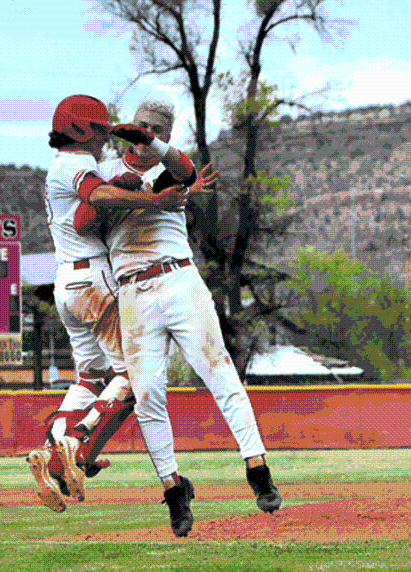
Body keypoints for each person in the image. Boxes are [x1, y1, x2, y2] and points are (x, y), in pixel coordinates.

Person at [90, 98, 282, 537]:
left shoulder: (170, 169)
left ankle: (257, 466)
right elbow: (88, 203)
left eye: (155, 128)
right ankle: (174, 488)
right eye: (140, 125)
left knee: (219, 370)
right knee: (149, 392)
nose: (145, 132)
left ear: (166, 135)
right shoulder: (104, 174)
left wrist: (152, 145)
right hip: (133, 288)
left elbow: (185, 169)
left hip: (177, 278)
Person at [26, 94, 191, 512]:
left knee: (89, 377)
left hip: (66, 281)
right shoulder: (77, 163)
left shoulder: (58, 167)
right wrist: (153, 200)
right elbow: (95, 198)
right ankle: (77, 445)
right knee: (133, 373)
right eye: (99, 132)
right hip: (94, 277)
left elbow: (85, 213)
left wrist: (120, 186)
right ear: (83, 131)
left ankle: (49, 454)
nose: (104, 142)